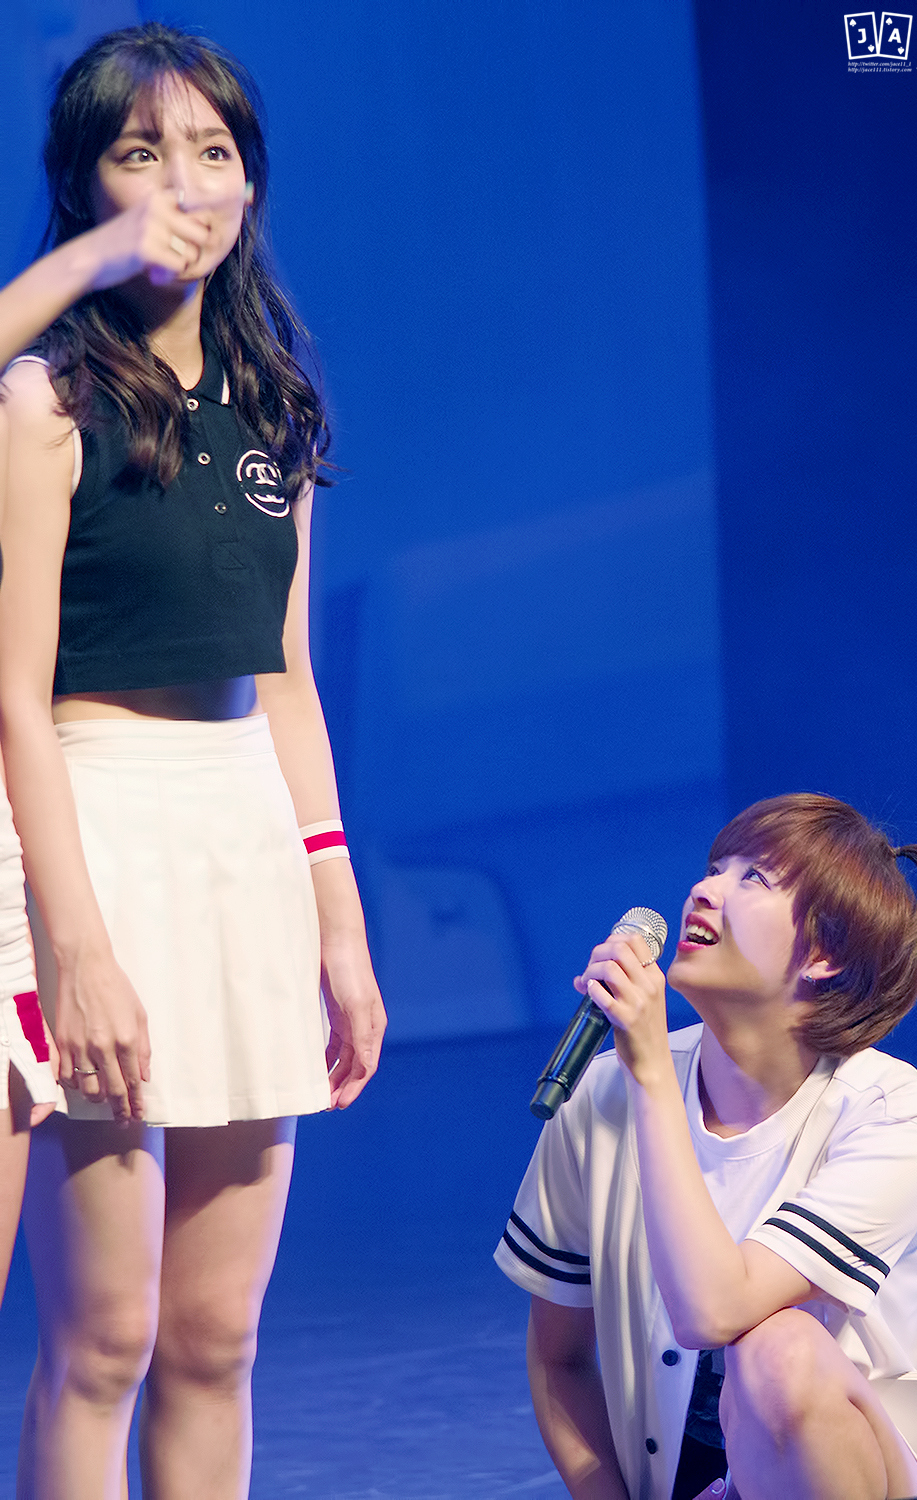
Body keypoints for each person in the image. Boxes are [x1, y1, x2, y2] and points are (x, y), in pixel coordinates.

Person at [0, 23, 386, 1498]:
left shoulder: (274, 402)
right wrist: (74, 949)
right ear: (85, 183)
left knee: (217, 1337)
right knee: (106, 1338)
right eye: (142, 152)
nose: (185, 183)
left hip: (242, 839)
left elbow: (288, 682)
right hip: (91, 821)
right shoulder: (44, 399)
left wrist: (338, 923)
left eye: (214, 151)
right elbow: (14, 696)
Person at [495, 793, 917, 1500]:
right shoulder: (602, 1094)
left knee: (779, 1353)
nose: (705, 890)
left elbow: (713, 1311)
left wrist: (649, 1075)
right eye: (714, 869)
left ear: (823, 955)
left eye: (753, 878)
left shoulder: (892, 1118)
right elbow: (561, 1362)